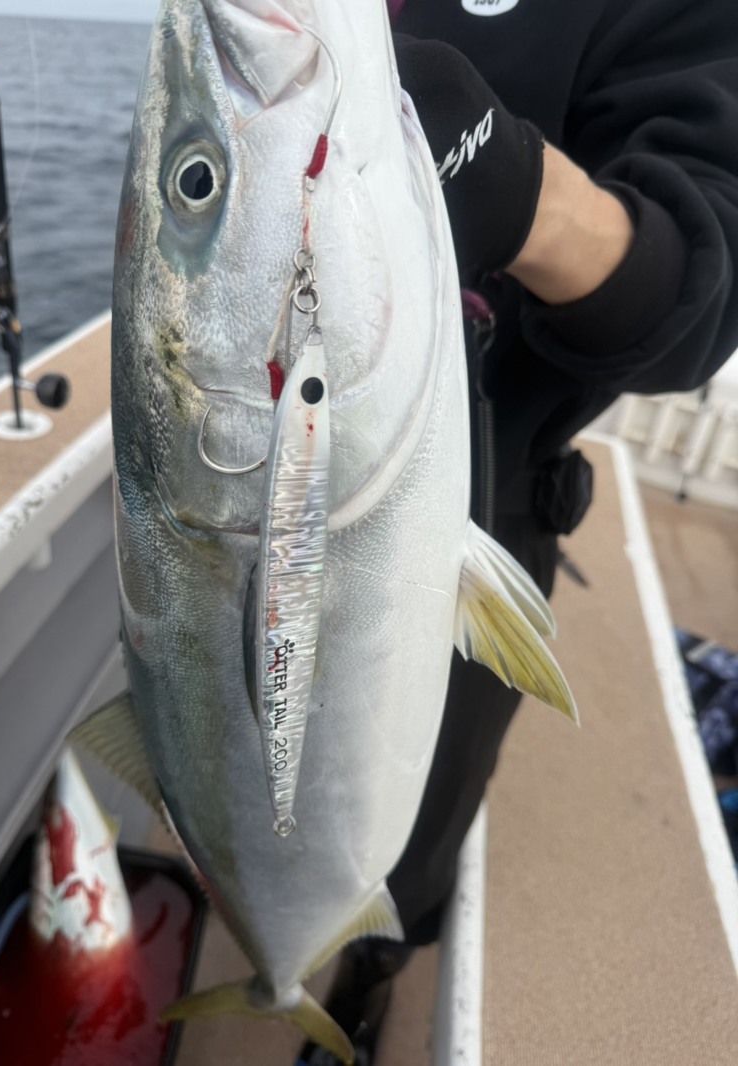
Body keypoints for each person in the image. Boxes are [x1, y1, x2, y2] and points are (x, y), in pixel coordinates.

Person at [299, 1, 738, 1063]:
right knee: (250, 772)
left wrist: (527, 194)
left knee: (414, 834)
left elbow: (698, 280)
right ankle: (287, 933)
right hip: (264, 488)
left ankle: (365, 975)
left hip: (476, 502)